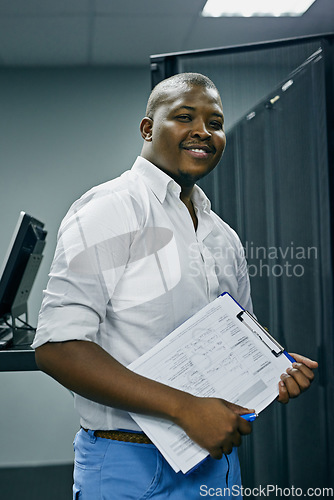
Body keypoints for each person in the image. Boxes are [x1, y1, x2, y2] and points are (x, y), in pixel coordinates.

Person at [33, 73, 317, 499]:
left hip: (217, 464)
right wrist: (185, 408)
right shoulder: (110, 210)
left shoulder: (223, 236)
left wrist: (271, 369)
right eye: (185, 117)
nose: (204, 131)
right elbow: (58, 347)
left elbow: (238, 337)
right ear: (148, 128)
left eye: (216, 123)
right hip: (130, 464)